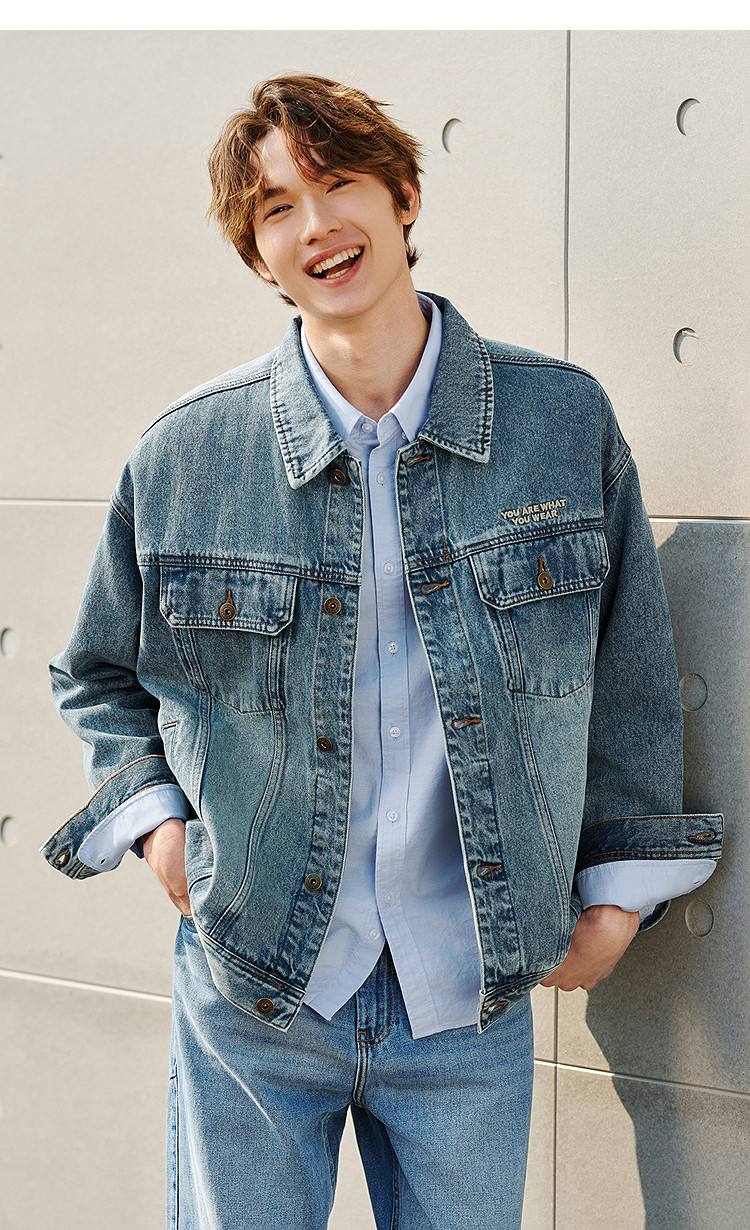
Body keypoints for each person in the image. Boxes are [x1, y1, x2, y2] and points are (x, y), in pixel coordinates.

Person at [42, 74, 722, 1230]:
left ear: (403, 195)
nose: (316, 225)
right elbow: (99, 672)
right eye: (275, 208)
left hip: (468, 998)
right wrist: (161, 834)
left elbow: (632, 677)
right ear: (258, 255)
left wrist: (617, 900)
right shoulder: (187, 454)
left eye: (339, 182)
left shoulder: (560, 424)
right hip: (256, 988)